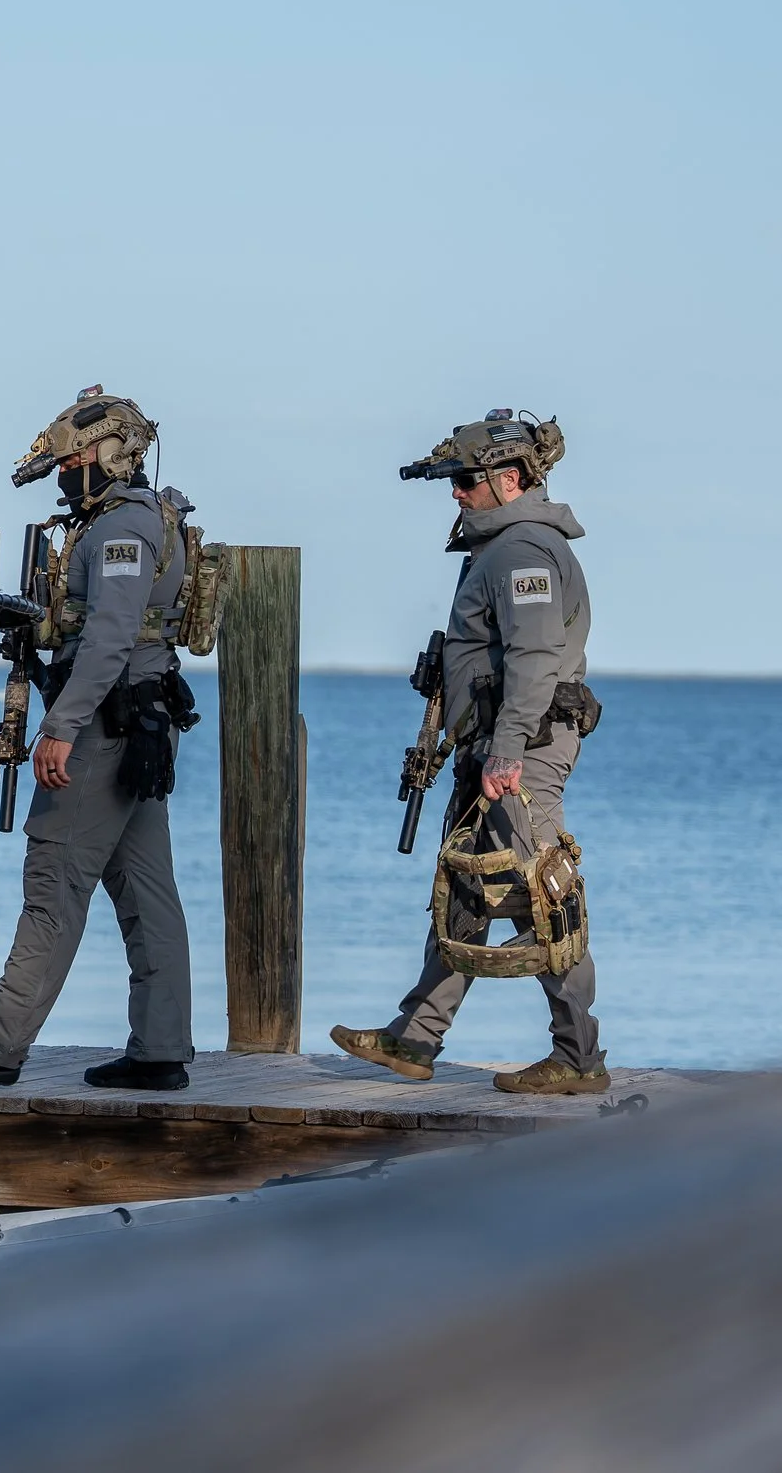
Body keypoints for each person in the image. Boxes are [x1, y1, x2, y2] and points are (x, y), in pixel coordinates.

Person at [331, 410, 609, 1095]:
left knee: (543, 894)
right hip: (497, 745)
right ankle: (415, 1038)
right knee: (465, 887)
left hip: (524, 749)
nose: (456, 492)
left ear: (508, 478)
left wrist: (507, 752)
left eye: (465, 479)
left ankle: (578, 1056)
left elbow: (537, 658)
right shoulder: (504, 548)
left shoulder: (521, 552)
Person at [0, 388, 202, 1092]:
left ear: (104, 455)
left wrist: (59, 727)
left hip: (103, 726)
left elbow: (106, 637)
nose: (66, 475)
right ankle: (161, 1046)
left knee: (54, 879)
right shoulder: (135, 519)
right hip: (137, 725)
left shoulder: (119, 531)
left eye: (70, 462)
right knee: (144, 889)